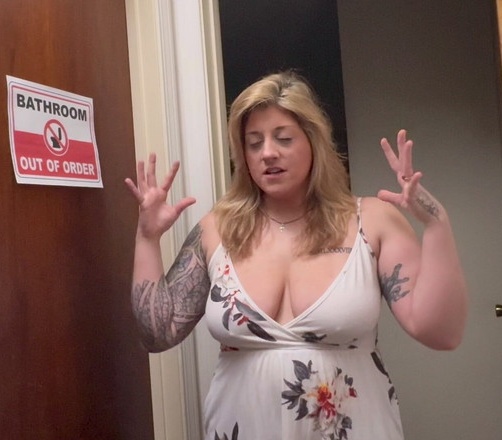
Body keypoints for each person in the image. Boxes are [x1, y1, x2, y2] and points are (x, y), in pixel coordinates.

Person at [125, 71, 468, 440]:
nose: (267, 152)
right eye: (253, 143)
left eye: (284, 138)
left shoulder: (372, 221)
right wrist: (147, 238)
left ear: (314, 141)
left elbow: (441, 333)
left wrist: (435, 221)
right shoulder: (218, 230)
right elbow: (157, 334)